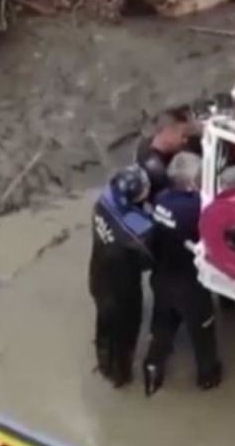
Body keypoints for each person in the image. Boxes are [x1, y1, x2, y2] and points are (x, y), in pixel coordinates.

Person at [143, 152, 223, 396]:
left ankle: (152, 374)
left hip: (160, 278)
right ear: (191, 182)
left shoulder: (160, 200)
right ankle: (208, 377)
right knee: (202, 332)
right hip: (190, 284)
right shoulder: (198, 207)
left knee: (162, 328)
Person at [89, 165, 155, 388]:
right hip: (122, 292)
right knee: (125, 334)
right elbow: (150, 260)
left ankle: (103, 361)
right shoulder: (134, 230)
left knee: (103, 323)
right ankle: (121, 376)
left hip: (97, 277)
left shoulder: (102, 202)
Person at [136, 107, 201, 198]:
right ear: (167, 132)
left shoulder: (147, 145)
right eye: (183, 135)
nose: (185, 140)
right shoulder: (156, 170)